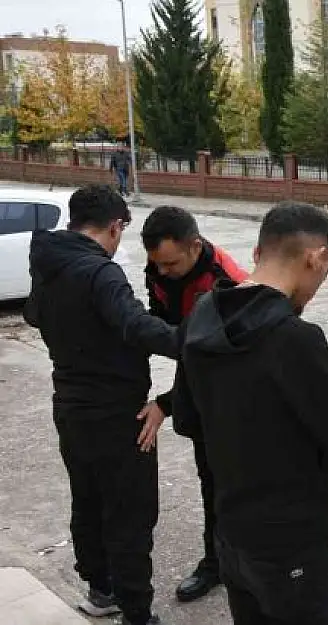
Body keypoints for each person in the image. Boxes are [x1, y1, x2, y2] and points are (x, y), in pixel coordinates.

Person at [172, 200, 328, 625]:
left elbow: (186, 419)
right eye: (325, 273)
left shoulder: (201, 315)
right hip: (292, 544)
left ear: (257, 253)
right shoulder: (295, 339)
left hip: (231, 531)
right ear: (316, 257)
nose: (319, 284)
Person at [23, 184, 176, 625]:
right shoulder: (99, 271)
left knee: (88, 500)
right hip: (116, 413)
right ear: (115, 226)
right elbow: (135, 326)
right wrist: (193, 341)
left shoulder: (49, 263)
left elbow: (35, 315)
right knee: (129, 513)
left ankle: (100, 590)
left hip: (69, 406)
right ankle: (137, 613)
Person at [139, 205, 249, 602]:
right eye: (157, 265)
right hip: (198, 389)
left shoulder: (227, 285)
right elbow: (162, 326)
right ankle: (217, 562)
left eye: (170, 263)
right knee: (212, 482)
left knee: (237, 484)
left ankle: (246, 564)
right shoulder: (162, 268)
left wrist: (166, 403)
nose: (162, 271)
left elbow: (213, 360)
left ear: (195, 246)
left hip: (235, 394)